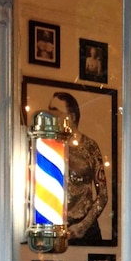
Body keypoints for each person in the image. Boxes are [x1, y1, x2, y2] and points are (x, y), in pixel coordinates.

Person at [47, 91, 108, 244]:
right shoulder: (46, 147)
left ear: (71, 117)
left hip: (86, 229)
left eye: (56, 112)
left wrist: (83, 225)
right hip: (55, 226)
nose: (50, 117)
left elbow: (103, 195)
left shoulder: (90, 147)